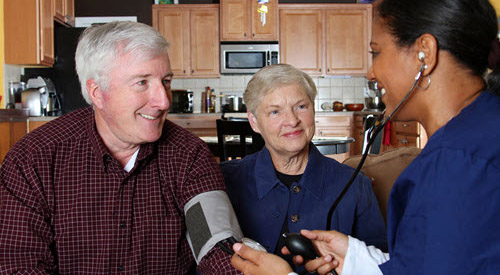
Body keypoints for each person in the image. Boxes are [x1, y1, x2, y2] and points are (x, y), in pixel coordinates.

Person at [229, 0, 500, 274]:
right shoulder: (479, 133)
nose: (370, 72)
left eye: (376, 52)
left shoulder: (456, 164)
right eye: (275, 111)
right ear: (254, 120)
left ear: (424, 53)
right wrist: (356, 258)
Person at [0, 21, 242, 274]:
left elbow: (219, 248)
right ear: (97, 92)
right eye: (142, 83)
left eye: (166, 81)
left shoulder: (189, 155)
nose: (162, 101)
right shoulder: (33, 160)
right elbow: (18, 265)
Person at [220, 64, 387, 273]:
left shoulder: (355, 184)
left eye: (301, 106)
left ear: (313, 108)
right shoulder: (223, 181)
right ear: (254, 121)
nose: (292, 121)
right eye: (274, 111)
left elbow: (381, 268)